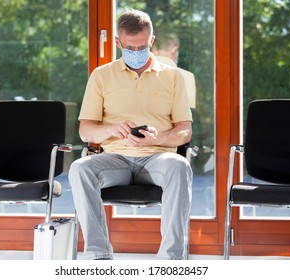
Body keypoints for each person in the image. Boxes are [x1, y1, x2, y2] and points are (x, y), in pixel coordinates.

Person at [69, 9, 193, 260]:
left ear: (151, 41)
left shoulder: (173, 77)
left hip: (158, 158)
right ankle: (98, 257)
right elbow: (85, 131)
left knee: (180, 166)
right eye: (129, 47)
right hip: (116, 158)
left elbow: (184, 131)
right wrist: (111, 130)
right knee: (80, 169)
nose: (136, 53)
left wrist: (157, 138)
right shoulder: (101, 76)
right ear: (118, 43)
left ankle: (171, 261)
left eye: (142, 47)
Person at [151, 30, 197, 108]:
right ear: (174, 49)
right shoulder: (187, 77)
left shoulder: (137, 74)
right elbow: (190, 115)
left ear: (153, 50)